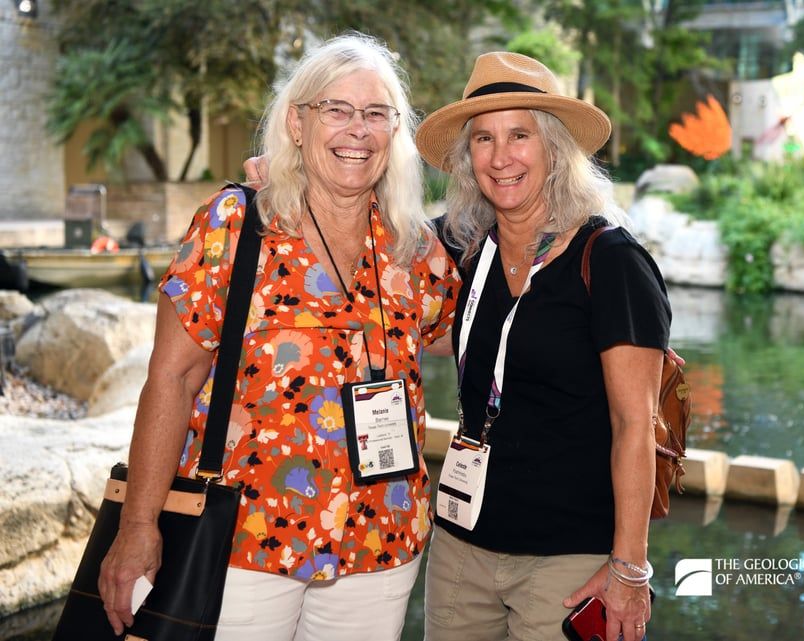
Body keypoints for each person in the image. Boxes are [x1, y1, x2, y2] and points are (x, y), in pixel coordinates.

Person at [98, 33, 460, 641]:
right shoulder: (236, 223)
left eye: (376, 114)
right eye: (336, 110)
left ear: (395, 131)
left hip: (381, 540)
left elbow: (454, 335)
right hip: (242, 535)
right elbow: (172, 376)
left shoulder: (415, 247)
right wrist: (138, 526)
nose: (358, 130)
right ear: (297, 121)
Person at [414, 52, 671, 641]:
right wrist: (281, 178)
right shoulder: (465, 247)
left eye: (519, 135)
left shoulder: (609, 262)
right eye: (483, 138)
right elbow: (366, 234)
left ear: (554, 148)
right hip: (461, 549)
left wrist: (629, 569)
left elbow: (637, 424)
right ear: (466, 157)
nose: (500, 157)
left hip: (567, 562)